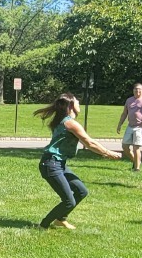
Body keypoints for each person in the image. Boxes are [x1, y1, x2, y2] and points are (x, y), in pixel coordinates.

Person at [33, 92, 122, 229]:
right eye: (77, 101)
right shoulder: (69, 123)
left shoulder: (65, 121)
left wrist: (106, 152)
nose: (79, 103)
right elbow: (89, 143)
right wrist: (108, 153)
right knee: (69, 201)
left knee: (81, 191)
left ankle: (60, 219)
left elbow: (89, 142)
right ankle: (43, 225)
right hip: (51, 164)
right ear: (71, 105)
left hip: (59, 164)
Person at [115, 82, 142, 173]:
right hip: (130, 126)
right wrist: (119, 124)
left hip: (140, 127)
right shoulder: (129, 100)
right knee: (125, 146)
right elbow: (124, 113)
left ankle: (137, 168)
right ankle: (136, 161)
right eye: (136, 89)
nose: (138, 91)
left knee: (136, 147)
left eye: (139, 89)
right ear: (133, 91)